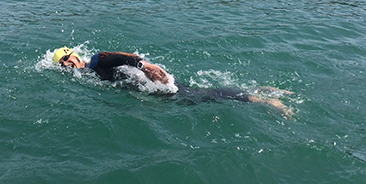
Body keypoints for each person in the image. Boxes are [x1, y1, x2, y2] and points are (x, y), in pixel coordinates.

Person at [53, 47, 294, 117]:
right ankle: (257, 91)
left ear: (73, 54)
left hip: (150, 79)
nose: (65, 64)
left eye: (66, 58)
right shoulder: (84, 74)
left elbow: (121, 57)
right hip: (147, 88)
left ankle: (263, 100)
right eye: (61, 63)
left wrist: (144, 65)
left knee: (200, 97)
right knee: (198, 95)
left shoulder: (95, 60)